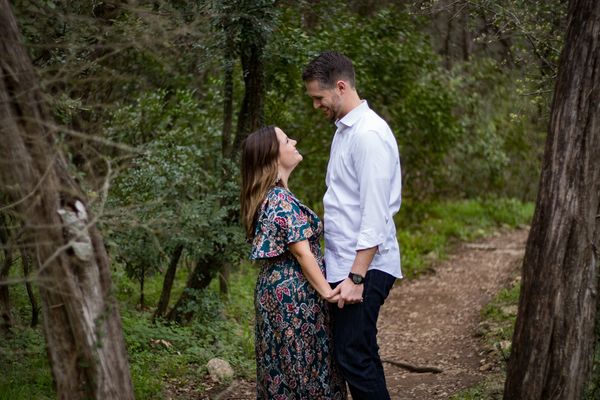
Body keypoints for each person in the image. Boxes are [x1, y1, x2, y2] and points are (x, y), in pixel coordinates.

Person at [302, 51, 403, 399]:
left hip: (365, 267)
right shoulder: (345, 131)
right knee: (359, 353)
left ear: (340, 87)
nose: (316, 105)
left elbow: (375, 213)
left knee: (353, 356)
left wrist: (357, 276)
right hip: (348, 264)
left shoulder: (368, 134)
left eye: (319, 97)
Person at [240, 125, 347, 400]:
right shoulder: (279, 199)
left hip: (277, 291)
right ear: (272, 155)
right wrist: (327, 292)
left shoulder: (270, 197)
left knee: (284, 365)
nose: (294, 141)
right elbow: (302, 252)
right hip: (295, 297)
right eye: (287, 140)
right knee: (303, 365)